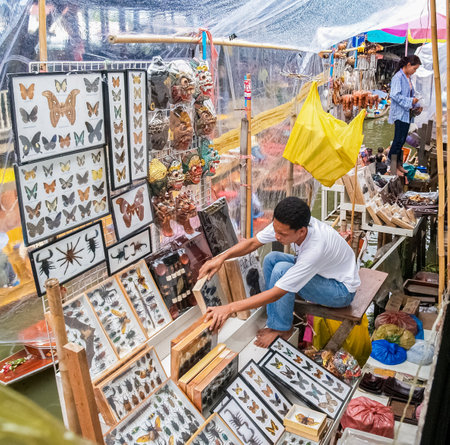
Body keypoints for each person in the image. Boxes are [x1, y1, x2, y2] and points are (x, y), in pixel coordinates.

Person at [199, 197, 361, 348]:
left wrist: (228, 308)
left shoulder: (315, 248)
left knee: (281, 270)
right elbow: (253, 243)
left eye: (282, 234)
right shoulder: (287, 224)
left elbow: (277, 293)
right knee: (272, 258)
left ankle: (282, 328)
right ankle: (274, 318)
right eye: (275, 230)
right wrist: (220, 258)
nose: (276, 236)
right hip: (324, 274)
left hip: (341, 291)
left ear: (302, 232)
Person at [388, 55, 423, 175]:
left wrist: (415, 104)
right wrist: (410, 101)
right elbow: (395, 95)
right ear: (408, 65)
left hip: (406, 114)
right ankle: (392, 167)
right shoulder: (398, 77)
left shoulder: (408, 77)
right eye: (414, 68)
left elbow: (410, 95)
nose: (415, 71)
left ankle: (398, 165)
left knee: (402, 140)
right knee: (398, 140)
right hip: (399, 113)